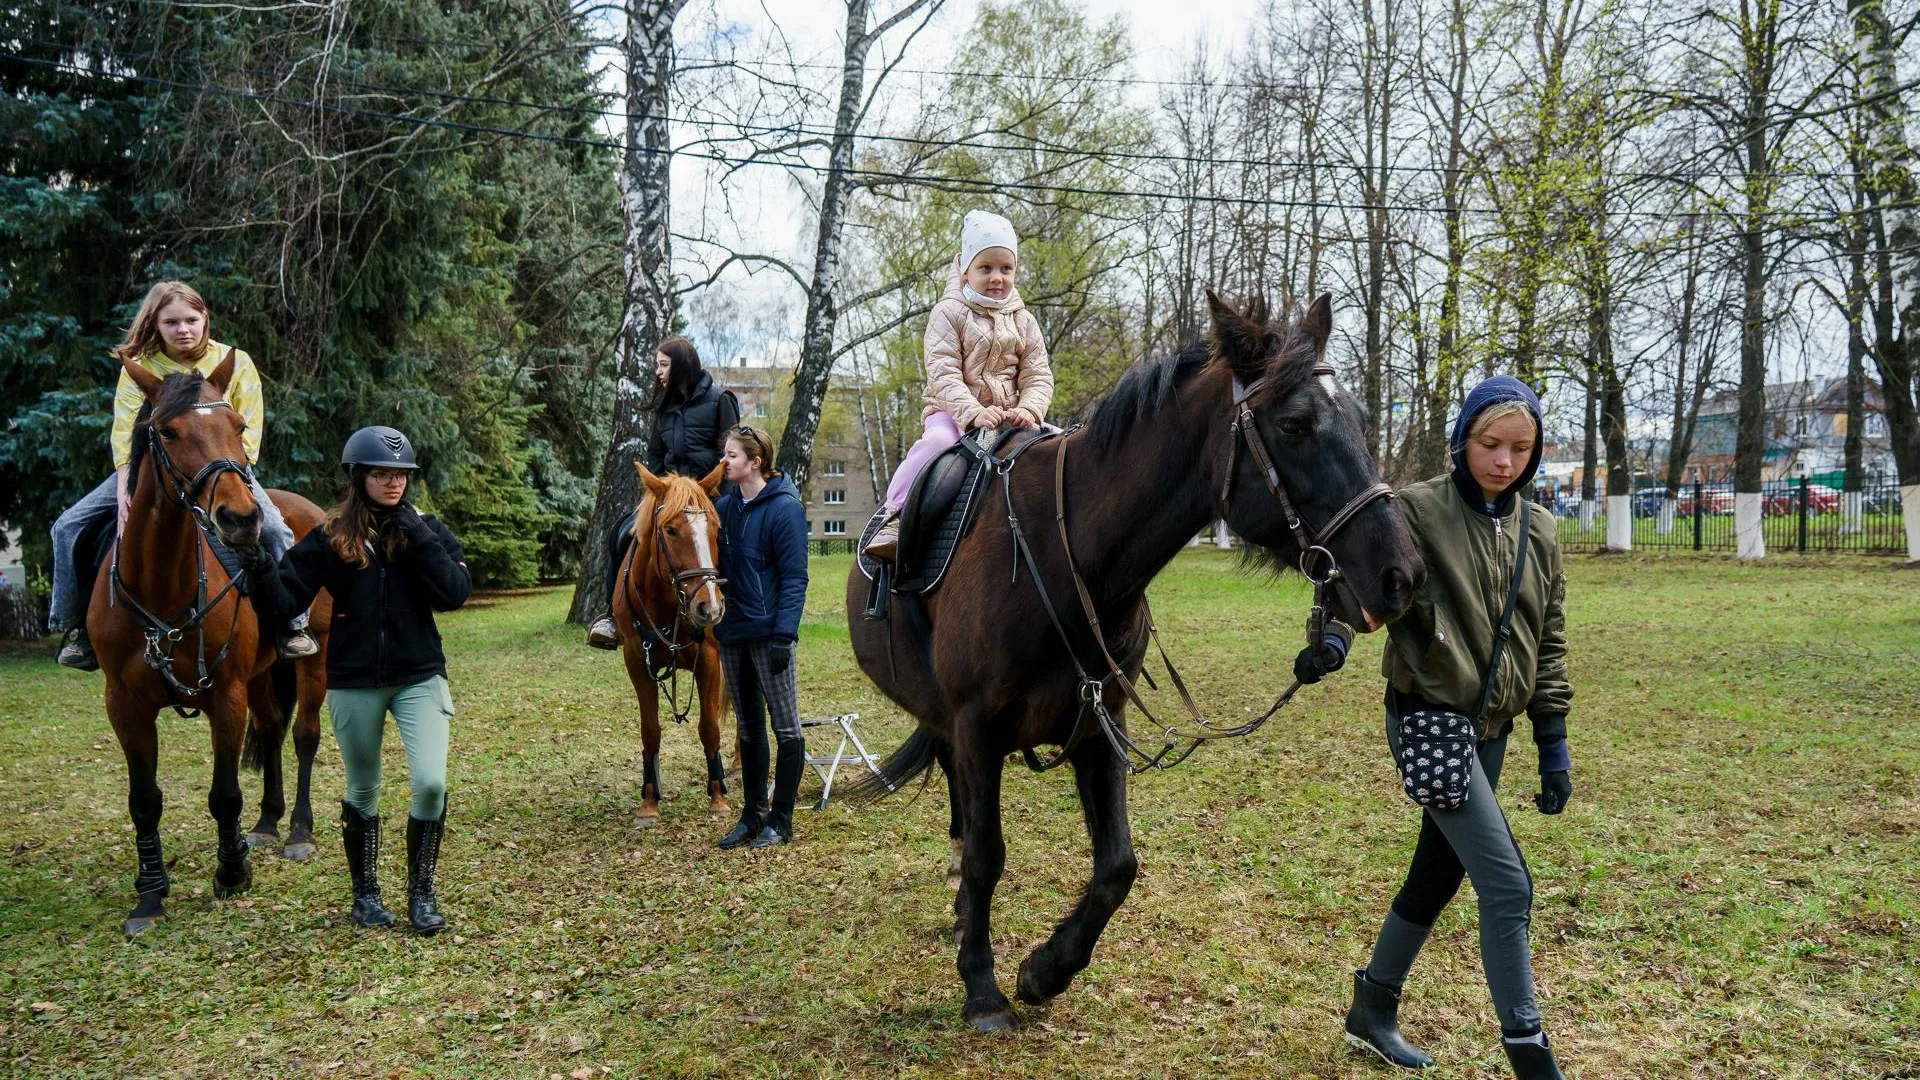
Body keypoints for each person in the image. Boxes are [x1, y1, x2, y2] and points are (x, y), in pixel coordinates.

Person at [1300, 376, 1573, 1079]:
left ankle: (1371, 1008)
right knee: (1507, 886)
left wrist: (1553, 742)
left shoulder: (1539, 531)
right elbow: (1368, 582)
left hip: (1493, 727)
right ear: (1461, 440)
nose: (1505, 461)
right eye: (1490, 444)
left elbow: (1548, 642)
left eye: (1521, 448)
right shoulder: (1415, 510)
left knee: (1438, 871)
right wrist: (1333, 639)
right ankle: (1530, 1055)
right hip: (1428, 720)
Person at [247, 426, 471, 933]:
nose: (394, 483)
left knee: (431, 784)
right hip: (352, 682)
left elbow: (454, 592)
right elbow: (285, 602)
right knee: (363, 787)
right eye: (381, 474)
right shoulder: (330, 538)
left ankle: (422, 893)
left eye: (401, 475)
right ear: (358, 477)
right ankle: (366, 895)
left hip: (419, 676)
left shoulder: (426, 528)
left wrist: (418, 538)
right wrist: (260, 562)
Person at [49, 281, 316, 670]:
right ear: (156, 323)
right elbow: (124, 432)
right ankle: (75, 629)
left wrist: (235, 475)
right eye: (171, 321)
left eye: (191, 319)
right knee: (67, 526)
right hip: (148, 470)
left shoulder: (234, 362)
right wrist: (125, 490)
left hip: (223, 468)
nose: (183, 329)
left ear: (205, 318)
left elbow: (250, 427)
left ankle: (294, 624)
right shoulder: (141, 367)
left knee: (274, 530)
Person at [863, 209, 1053, 560]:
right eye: (986, 268)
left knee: (1060, 444)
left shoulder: (1024, 320)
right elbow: (944, 372)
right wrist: (974, 413)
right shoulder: (948, 313)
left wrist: (1030, 408)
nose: (997, 277)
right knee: (935, 444)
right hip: (952, 414)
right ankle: (896, 517)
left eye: (1005, 268)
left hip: (1010, 417)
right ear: (965, 268)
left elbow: (1038, 374)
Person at [587, 336, 739, 647]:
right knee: (621, 532)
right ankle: (611, 617)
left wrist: (718, 496)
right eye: (657, 364)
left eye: (663, 364)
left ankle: (735, 612)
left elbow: (730, 455)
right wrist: (659, 493)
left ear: (680, 365)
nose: (658, 371)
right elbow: (656, 457)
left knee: (729, 541)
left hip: (707, 496)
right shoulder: (664, 408)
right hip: (669, 497)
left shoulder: (720, 399)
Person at [711, 425, 809, 850]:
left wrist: (784, 635)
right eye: (724, 454)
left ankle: (781, 820)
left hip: (770, 635)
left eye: (731, 455)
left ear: (756, 462)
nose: (724, 461)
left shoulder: (784, 509)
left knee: (785, 728)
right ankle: (752, 815)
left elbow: (795, 578)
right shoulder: (723, 509)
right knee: (749, 729)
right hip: (732, 634)